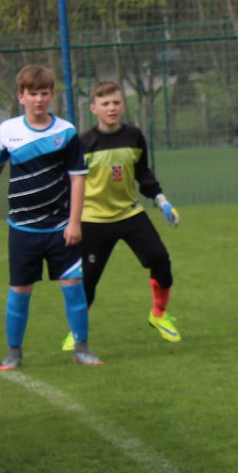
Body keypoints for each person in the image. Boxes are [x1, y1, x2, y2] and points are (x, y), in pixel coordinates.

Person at [0, 64, 96, 369]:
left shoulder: (66, 131)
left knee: (74, 287)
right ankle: (14, 353)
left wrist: (75, 222)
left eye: (44, 93)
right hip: (23, 230)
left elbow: (77, 178)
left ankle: (82, 349)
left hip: (61, 228)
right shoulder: (7, 131)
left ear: (52, 96)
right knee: (19, 292)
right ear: (21, 96)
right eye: (32, 94)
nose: (39, 99)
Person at [72, 81, 182, 346]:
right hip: (93, 219)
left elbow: (143, 173)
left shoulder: (134, 136)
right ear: (93, 108)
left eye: (116, 103)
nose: (111, 108)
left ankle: (159, 315)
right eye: (105, 104)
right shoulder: (84, 143)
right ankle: (77, 332)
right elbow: (73, 182)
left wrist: (162, 201)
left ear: (123, 106)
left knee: (160, 259)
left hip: (129, 214)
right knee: (87, 280)